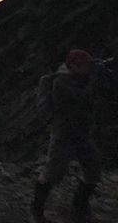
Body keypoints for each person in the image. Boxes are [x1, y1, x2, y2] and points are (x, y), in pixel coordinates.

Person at [30, 49, 102, 223]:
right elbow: (77, 102)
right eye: (84, 65)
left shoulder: (79, 79)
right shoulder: (61, 83)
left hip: (81, 134)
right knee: (52, 172)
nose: (87, 69)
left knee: (94, 168)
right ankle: (36, 212)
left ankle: (80, 206)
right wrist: (93, 84)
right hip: (64, 135)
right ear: (73, 66)